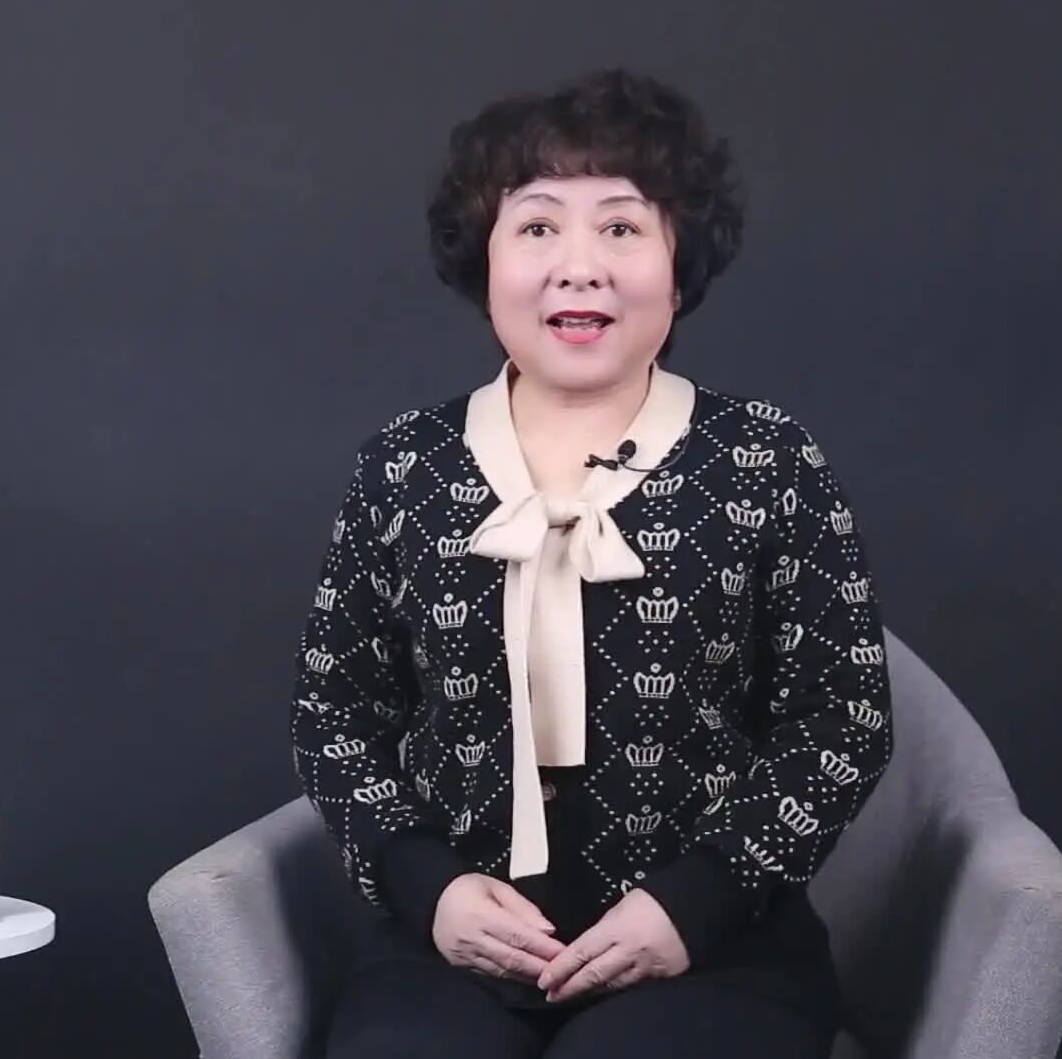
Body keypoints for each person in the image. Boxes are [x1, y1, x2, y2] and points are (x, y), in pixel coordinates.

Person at [289, 67, 894, 1058]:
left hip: (717, 946)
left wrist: (694, 904)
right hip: (451, 952)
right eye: (537, 227)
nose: (579, 267)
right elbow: (333, 714)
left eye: (621, 226)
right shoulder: (404, 466)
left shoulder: (766, 458)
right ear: (483, 261)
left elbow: (845, 716)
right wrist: (428, 888)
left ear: (679, 264)